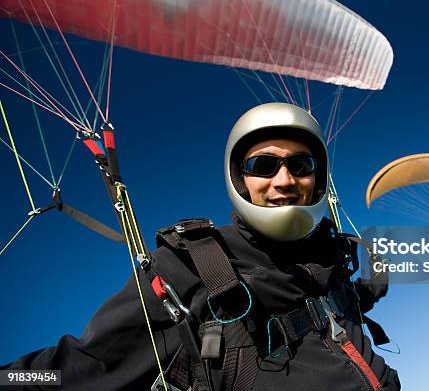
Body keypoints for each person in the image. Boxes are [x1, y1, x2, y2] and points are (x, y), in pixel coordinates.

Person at [3, 103, 400, 390]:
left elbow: (345, 302)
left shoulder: (330, 258)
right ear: (239, 178)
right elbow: (84, 367)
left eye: (301, 165)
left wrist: (377, 278)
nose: (284, 180)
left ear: (319, 178)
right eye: (263, 166)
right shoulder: (190, 268)